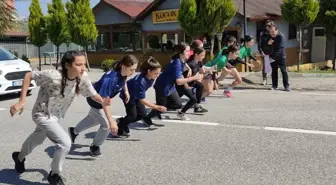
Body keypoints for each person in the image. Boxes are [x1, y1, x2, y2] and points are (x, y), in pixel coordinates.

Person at [10, 51, 112, 185]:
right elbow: (29, 76)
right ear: (67, 65)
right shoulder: (53, 76)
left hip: (56, 116)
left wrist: (102, 101)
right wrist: (21, 102)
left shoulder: (82, 77)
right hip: (41, 114)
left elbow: (92, 93)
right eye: (78, 64)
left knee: (38, 138)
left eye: (84, 64)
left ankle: (19, 157)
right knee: (65, 143)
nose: (83, 68)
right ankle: (54, 174)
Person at [68, 54, 138, 157]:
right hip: (96, 100)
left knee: (93, 118)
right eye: (131, 70)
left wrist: (126, 91)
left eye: (135, 69)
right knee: (106, 125)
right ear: (123, 66)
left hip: (102, 100)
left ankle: (74, 131)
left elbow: (124, 80)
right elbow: (104, 103)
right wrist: (112, 122)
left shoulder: (123, 72)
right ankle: (95, 146)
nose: (133, 72)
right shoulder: (110, 79)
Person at [147, 42, 203, 121]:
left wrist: (189, 70)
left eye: (189, 51)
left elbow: (180, 71)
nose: (190, 53)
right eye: (187, 51)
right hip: (163, 86)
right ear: (181, 52)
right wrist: (194, 77)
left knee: (178, 104)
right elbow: (179, 81)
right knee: (162, 107)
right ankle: (147, 117)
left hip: (170, 85)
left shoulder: (181, 60)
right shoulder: (177, 62)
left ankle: (158, 110)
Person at [117, 57, 167, 136]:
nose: (157, 75)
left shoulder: (150, 77)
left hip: (136, 95)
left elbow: (141, 96)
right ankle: (119, 128)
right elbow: (142, 99)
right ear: (148, 71)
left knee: (142, 115)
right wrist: (156, 107)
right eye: (156, 73)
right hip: (128, 96)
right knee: (132, 116)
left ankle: (122, 121)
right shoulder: (140, 81)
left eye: (159, 73)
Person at [176, 47, 208, 117]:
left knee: (200, 86)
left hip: (191, 81)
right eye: (202, 55)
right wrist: (186, 85)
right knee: (173, 103)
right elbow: (180, 75)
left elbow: (203, 71)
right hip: (182, 84)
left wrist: (210, 71)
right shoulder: (190, 63)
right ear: (196, 54)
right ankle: (181, 113)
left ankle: (197, 106)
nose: (204, 57)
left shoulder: (199, 62)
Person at [268, 25, 290, 91]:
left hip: (281, 57)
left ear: (277, 30)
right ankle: (274, 86)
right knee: (274, 71)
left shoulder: (281, 37)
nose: (272, 33)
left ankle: (286, 86)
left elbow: (279, 49)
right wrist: (268, 44)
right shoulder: (271, 37)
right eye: (270, 32)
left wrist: (273, 57)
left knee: (283, 71)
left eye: (273, 31)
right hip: (273, 56)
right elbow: (268, 47)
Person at [258, 20, 275, 85]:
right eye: (266, 25)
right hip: (265, 52)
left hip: (273, 52)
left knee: (274, 66)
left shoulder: (274, 33)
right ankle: (264, 80)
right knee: (266, 67)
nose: (267, 27)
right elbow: (259, 44)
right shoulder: (262, 33)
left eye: (269, 26)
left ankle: (274, 80)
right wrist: (261, 52)